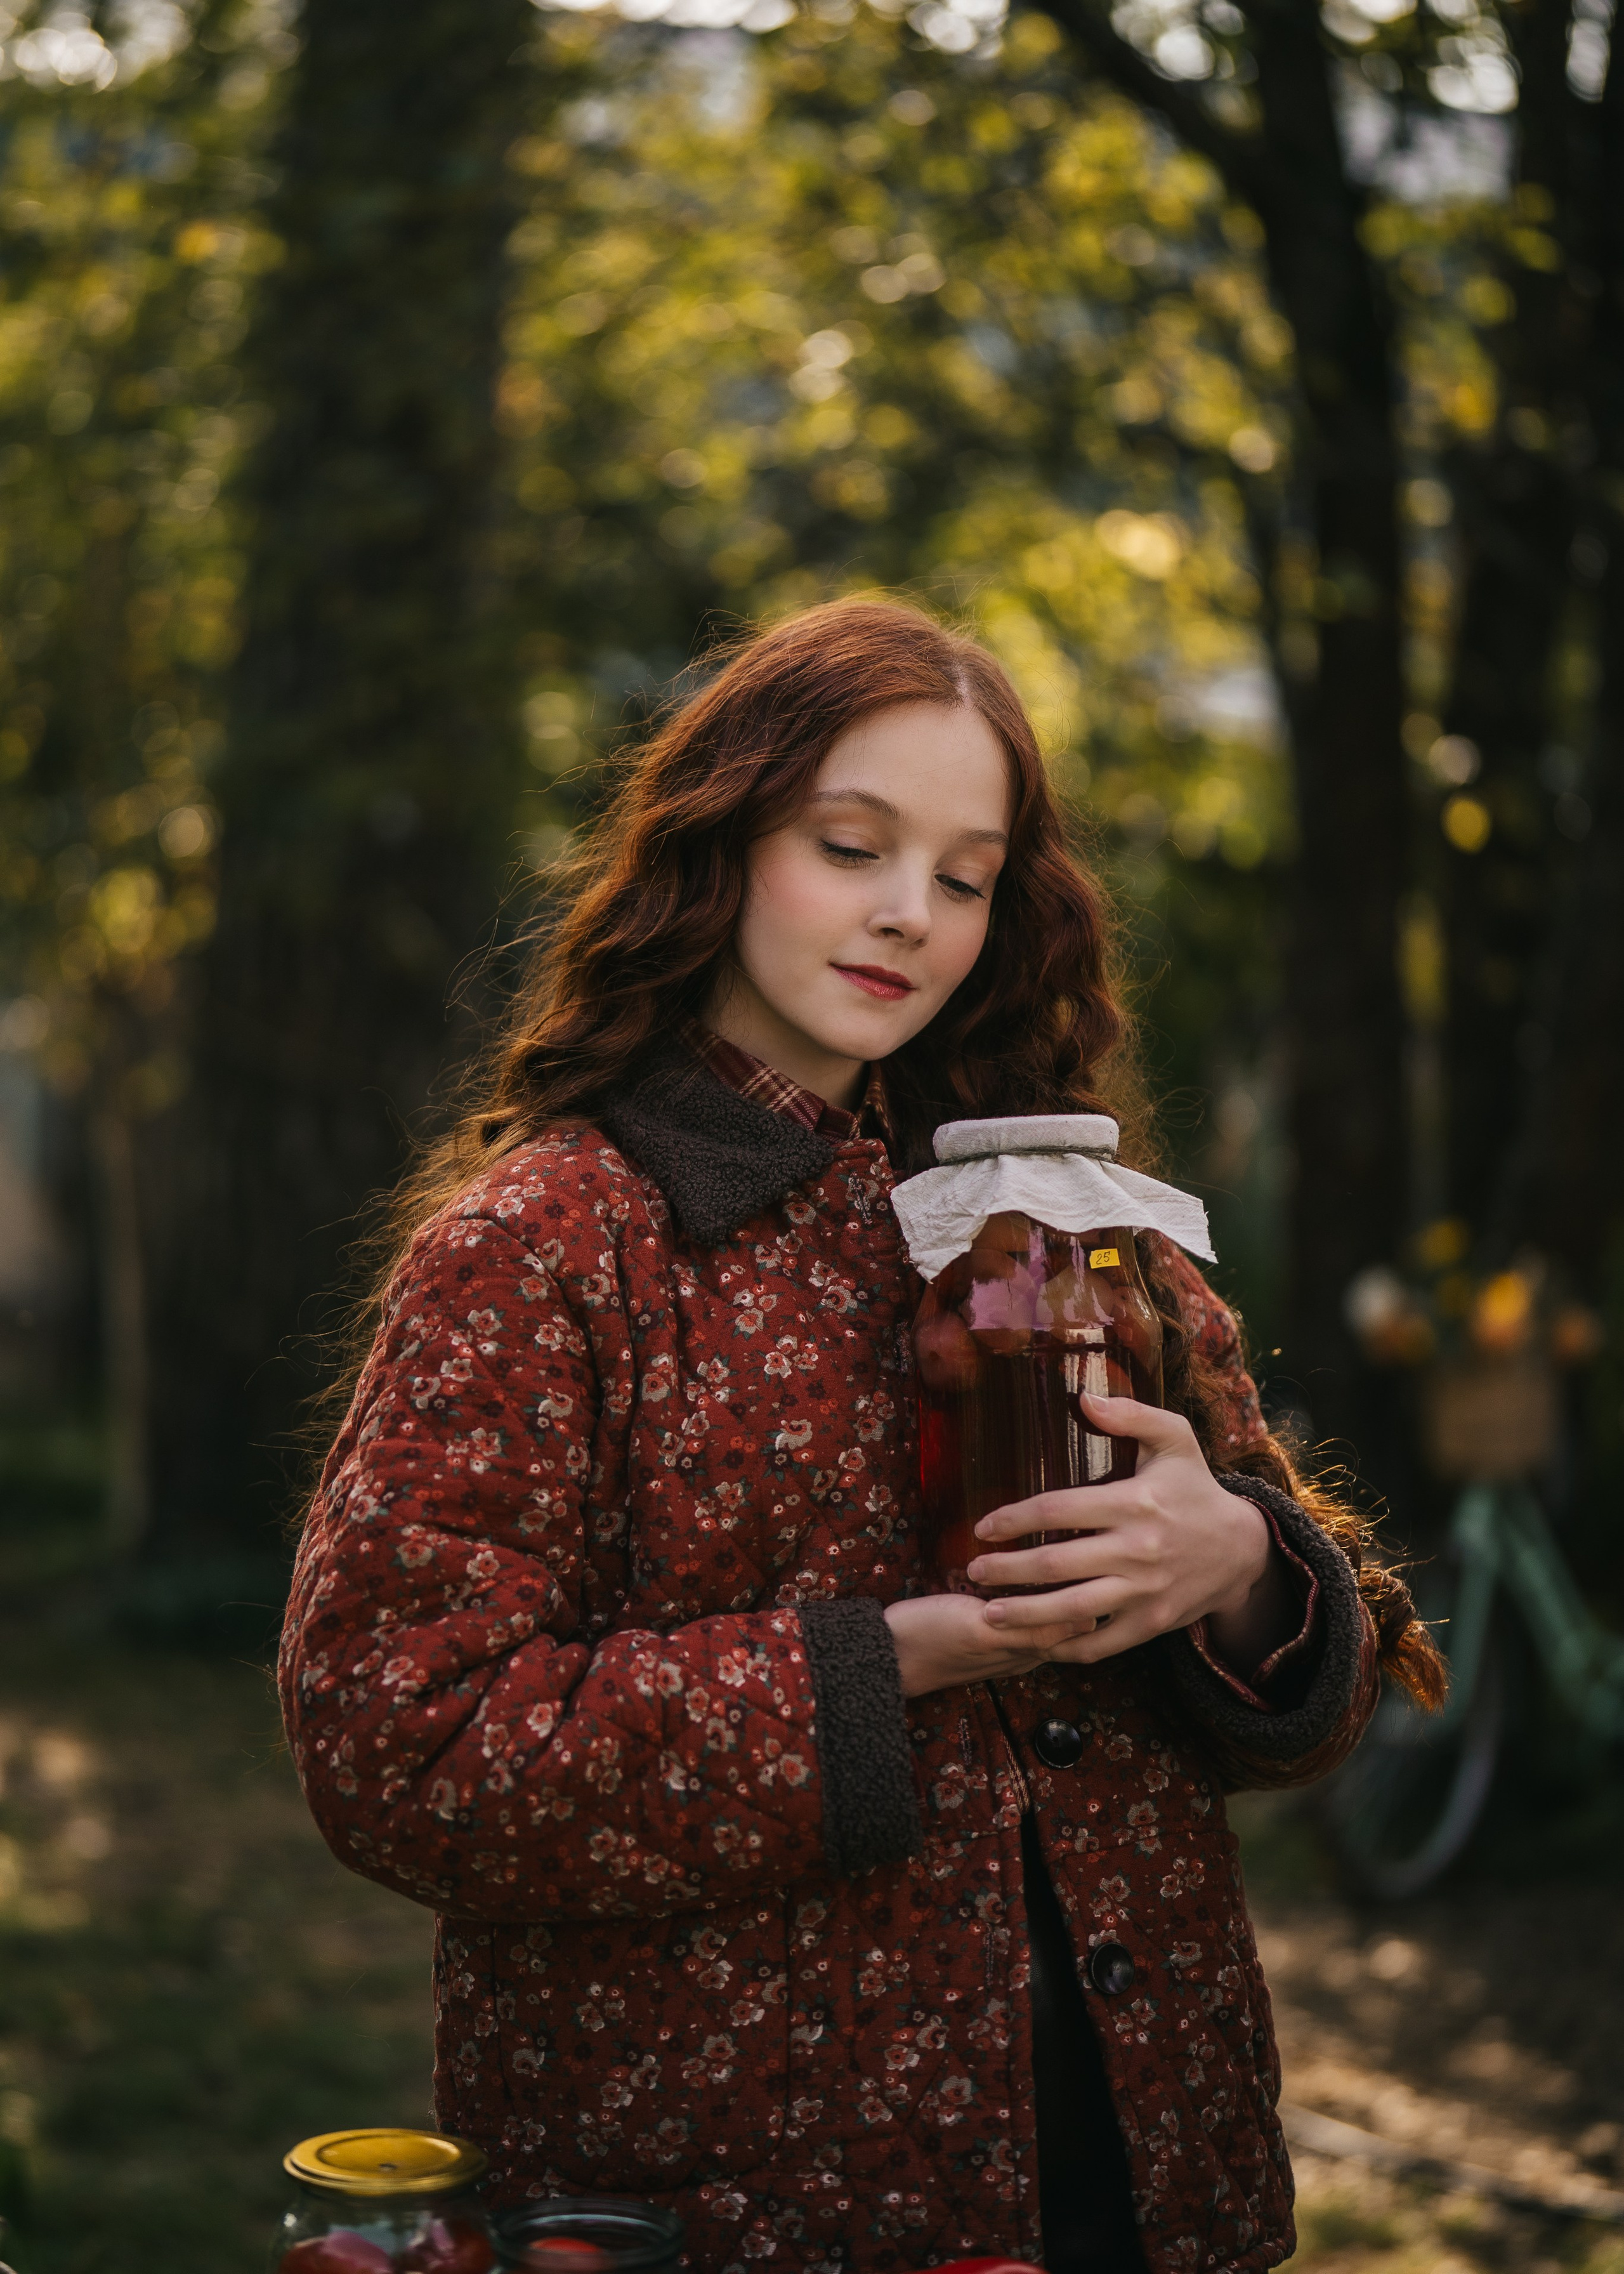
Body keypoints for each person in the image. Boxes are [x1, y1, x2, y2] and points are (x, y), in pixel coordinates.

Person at [280, 600, 1443, 2274]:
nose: (910, 912)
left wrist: (1242, 1563)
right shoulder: (550, 1243)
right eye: (851, 847)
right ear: (720, 843)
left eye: (966, 878)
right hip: (742, 2200)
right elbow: (399, 1744)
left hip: (1148, 2166)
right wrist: (883, 1665)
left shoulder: (1068, 1214)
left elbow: (1307, 1705)